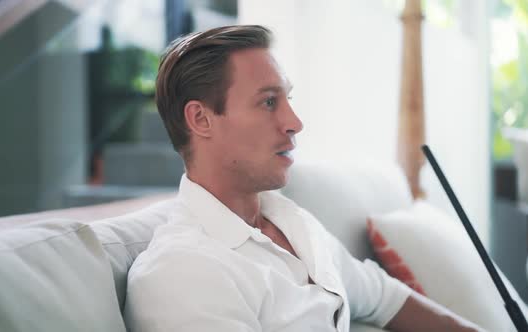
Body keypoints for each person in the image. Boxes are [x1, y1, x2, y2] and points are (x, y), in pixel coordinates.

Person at [124, 25, 482, 331]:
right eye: (268, 102)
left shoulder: (294, 222)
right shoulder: (183, 274)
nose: (294, 122)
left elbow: (383, 297)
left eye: (287, 99)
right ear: (201, 119)